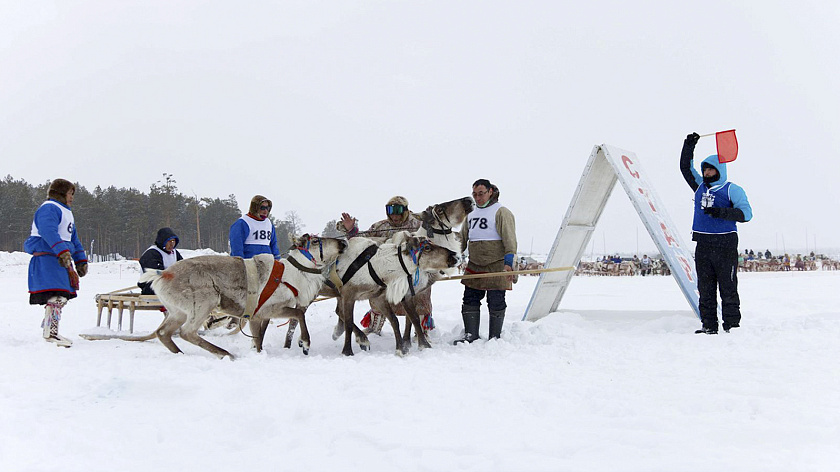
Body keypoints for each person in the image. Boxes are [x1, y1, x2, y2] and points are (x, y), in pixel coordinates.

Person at [681, 132, 753, 334]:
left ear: (719, 170)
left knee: (728, 287)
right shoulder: (699, 187)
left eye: (711, 169)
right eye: (705, 169)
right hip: (703, 244)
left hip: (725, 244)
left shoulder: (732, 189)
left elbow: (746, 214)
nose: (706, 172)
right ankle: (709, 325)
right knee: (705, 288)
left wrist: (722, 212)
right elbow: (685, 169)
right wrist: (689, 146)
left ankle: (732, 326)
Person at [339, 196, 436, 335]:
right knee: (378, 295)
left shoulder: (418, 224)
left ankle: (421, 331)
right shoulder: (379, 227)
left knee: (420, 297)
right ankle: (375, 326)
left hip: (414, 272)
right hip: (388, 273)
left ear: (406, 210)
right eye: (390, 210)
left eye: (398, 210)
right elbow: (363, 241)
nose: (394, 215)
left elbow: (432, 241)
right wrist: (351, 231)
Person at [24, 178, 88, 347]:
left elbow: (73, 238)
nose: (72, 197)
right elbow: (48, 231)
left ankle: (49, 325)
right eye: (69, 193)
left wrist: (81, 260)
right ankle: (50, 332)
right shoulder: (49, 208)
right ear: (61, 193)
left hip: (60, 258)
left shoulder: (67, 212)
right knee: (58, 296)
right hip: (48, 258)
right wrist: (62, 251)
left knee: (62, 296)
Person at [455, 179, 517, 343]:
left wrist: (509, 263)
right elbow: (461, 241)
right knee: (469, 299)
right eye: (474, 194)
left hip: (497, 264)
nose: (478, 198)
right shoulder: (471, 214)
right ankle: (470, 334)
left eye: (481, 194)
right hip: (475, 265)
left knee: (496, 301)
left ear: (490, 192)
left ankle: (495, 338)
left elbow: (510, 241)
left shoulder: (502, 212)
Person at [229, 195, 281, 260]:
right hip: (249, 264)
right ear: (254, 208)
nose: (265, 211)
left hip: (266, 265)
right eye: (262, 208)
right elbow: (236, 246)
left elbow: (273, 244)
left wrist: (277, 259)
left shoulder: (269, 224)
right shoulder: (243, 222)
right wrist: (240, 263)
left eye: (267, 208)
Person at [137, 227, 183, 295]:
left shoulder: (175, 253)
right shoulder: (152, 253)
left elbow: (182, 267)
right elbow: (155, 272)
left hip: (170, 286)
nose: (171, 244)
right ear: (163, 242)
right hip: (152, 286)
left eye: (173, 241)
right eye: (169, 242)